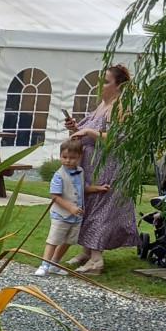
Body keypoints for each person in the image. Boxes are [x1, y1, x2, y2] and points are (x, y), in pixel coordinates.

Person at [62, 64, 140, 275]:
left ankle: (96, 260)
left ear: (118, 85)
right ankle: (87, 251)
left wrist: (88, 131)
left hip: (109, 165)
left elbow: (119, 139)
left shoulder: (120, 107)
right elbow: (87, 134)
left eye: (105, 82)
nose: (100, 85)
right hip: (91, 164)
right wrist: (76, 129)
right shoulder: (101, 105)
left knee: (101, 209)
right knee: (88, 206)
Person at [36, 138, 110, 276]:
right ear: (60, 156)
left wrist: (97, 188)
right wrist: (70, 207)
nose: (68, 160)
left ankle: (54, 264)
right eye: (64, 157)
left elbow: (82, 188)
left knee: (68, 241)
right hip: (61, 215)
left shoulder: (80, 171)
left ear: (79, 157)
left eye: (72, 158)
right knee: (53, 240)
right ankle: (44, 265)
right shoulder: (59, 175)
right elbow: (55, 196)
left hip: (76, 217)